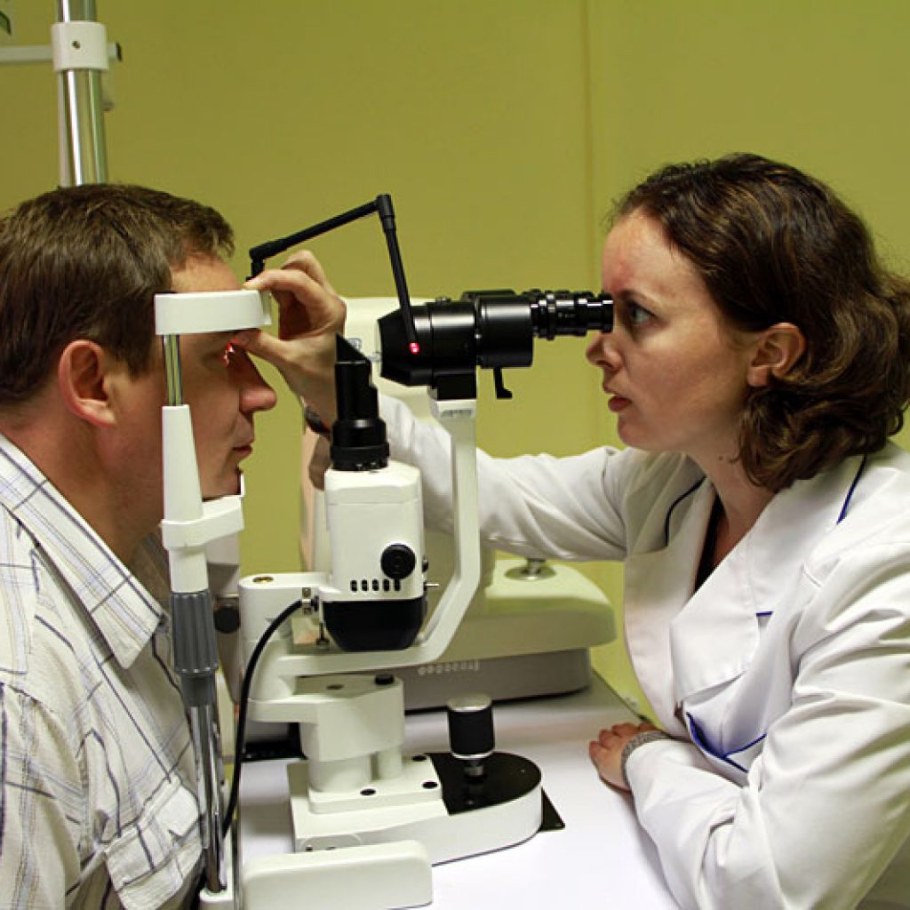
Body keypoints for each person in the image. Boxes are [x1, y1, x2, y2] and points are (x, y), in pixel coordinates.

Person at [241, 153, 910, 908]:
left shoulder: (886, 569)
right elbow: (490, 496)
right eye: (602, 312)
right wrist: (337, 382)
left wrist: (650, 759)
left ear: (770, 353)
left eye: (638, 316)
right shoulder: (679, 481)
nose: (599, 346)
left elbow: (764, 884)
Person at [0, 183, 277, 908]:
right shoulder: (20, 697)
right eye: (223, 357)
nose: (262, 394)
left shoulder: (136, 538)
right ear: (95, 382)